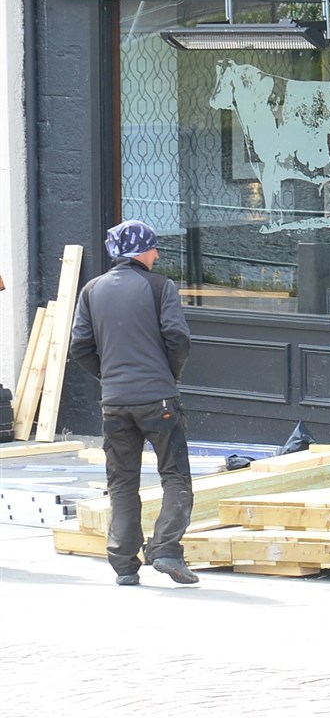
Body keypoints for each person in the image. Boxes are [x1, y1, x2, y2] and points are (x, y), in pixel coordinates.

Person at [70, 220, 198, 586]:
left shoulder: (91, 290)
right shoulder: (160, 287)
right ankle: (166, 550)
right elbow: (178, 337)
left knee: (122, 481)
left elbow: (80, 346)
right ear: (141, 250)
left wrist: (108, 377)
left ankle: (125, 564)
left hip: (115, 403)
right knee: (175, 476)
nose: (157, 254)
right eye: (154, 248)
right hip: (158, 399)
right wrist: (169, 376)